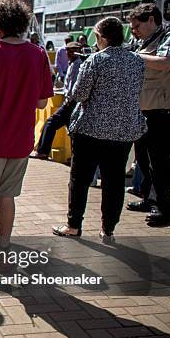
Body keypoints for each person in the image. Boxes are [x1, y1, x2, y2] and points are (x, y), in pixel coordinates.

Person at [0, 0, 53, 263]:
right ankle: (5, 250)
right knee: (7, 197)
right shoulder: (37, 54)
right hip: (20, 141)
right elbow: (41, 102)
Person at [52, 17, 146, 241]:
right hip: (123, 131)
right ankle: (108, 230)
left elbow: (80, 94)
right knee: (114, 183)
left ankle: (74, 225)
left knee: (80, 180)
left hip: (91, 130)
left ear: (103, 37)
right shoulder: (137, 61)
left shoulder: (95, 60)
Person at [126, 3, 170, 226]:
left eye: (137, 26)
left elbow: (167, 63)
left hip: (161, 111)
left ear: (151, 21)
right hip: (142, 110)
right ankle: (148, 198)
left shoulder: (169, 36)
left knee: (160, 162)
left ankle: (163, 208)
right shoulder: (141, 41)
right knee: (143, 160)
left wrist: (136, 58)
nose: (133, 31)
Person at [32, 41, 83, 159]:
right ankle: (73, 157)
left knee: (51, 123)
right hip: (72, 103)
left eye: (70, 51)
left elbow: (73, 88)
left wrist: (68, 101)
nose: (68, 54)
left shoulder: (76, 65)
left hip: (70, 104)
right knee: (72, 131)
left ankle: (43, 151)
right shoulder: (75, 64)